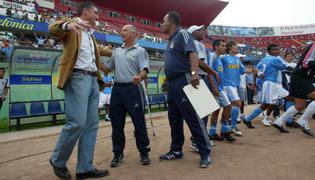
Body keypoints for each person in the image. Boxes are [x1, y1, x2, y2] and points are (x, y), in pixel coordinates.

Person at [48, 1, 112, 179]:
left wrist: (118, 52)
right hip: (77, 77)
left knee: (91, 124)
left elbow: (97, 50)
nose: (98, 17)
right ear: (85, 12)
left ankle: (84, 167)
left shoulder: (89, 35)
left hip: (92, 79)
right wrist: (69, 25)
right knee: (77, 122)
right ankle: (57, 160)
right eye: (96, 13)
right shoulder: (71, 26)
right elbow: (53, 28)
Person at [159, 11, 212, 168]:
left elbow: (193, 53)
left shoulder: (182, 34)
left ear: (172, 22)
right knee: (174, 119)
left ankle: (205, 152)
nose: (162, 24)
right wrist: (167, 80)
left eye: (164, 21)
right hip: (172, 84)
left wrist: (194, 73)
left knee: (193, 118)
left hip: (185, 79)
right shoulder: (170, 40)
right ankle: (176, 150)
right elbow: (173, 62)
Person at [105, 24, 151, 167]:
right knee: (116, 125)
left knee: (139, 123)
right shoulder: (116, 51)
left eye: (125, 30)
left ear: (134, 34)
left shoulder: (140, 51)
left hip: (133, 89)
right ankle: (118, 153)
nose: (121, 32)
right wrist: (93, 60)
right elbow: (108, 68)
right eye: (121, 30)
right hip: (117, 90)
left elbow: (145, 70)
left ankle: (144, 152)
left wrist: (140, 77)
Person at [272, 42, 315, 136]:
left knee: (300, 104)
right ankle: (302, 120)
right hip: (302, 77)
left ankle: (279, 121)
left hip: (301, 77)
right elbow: (305, 64)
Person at [241, 44, 292, 129]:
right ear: (269, 51)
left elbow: (256, 69)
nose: (277, 51)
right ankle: (248, 118)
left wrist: (259, 74)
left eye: (278, 49)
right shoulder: (275, 59)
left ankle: (289, 120)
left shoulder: (264, 59)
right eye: (274, 49)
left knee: (289, 98)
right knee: (266, 104)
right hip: (271, 84)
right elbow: (287, 68)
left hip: (274, 84)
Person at [187, 24, 220, 150]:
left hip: (198, 78)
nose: (203, 32)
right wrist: (214, 72)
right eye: (200, 30)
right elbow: (200, 63)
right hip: (199, 78)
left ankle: (198, 137)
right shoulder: (196, 44)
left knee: (202, 112)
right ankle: (197, 140)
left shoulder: (194, 44)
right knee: (203, 112)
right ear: (193, 32)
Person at [208, 39, 236, 142]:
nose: (225, 47)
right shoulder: (212, 56)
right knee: (228, 106)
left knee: (216, 110)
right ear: (216, 47)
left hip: (220, 87)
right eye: (223, 46)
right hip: (216, 87)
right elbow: (208, 71)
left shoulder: (219, 58)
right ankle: (224, 131)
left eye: (225, 46)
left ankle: (212, 132)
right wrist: (214, 86)